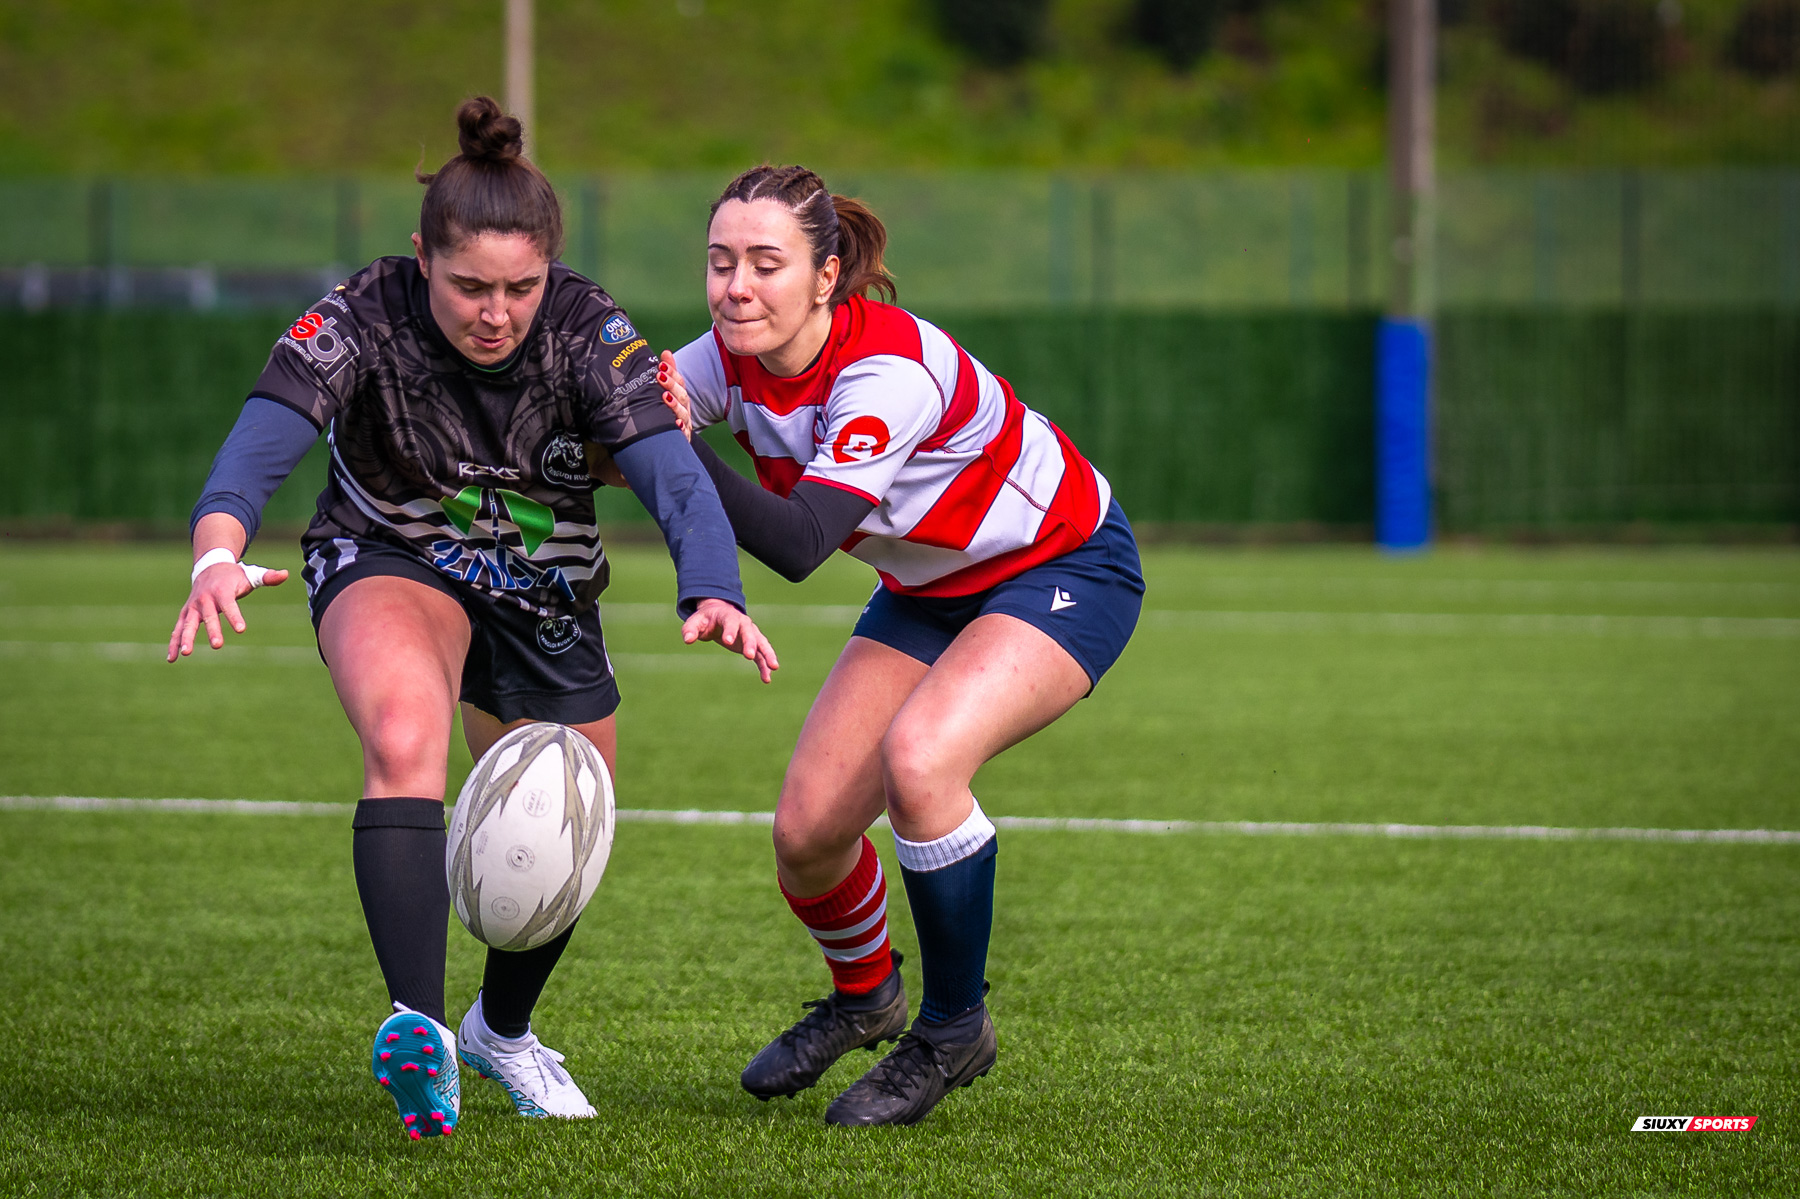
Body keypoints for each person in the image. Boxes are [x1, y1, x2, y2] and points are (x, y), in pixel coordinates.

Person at [165, 98, 778, 1141]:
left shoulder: (592, 330)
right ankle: (421, 1035)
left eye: (520, 287)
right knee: (404, 735)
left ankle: (500, 1027)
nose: (496, 312)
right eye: (469, 287)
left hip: (542, 588)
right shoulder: (361, 313)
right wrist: (218, 549)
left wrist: (712, 583)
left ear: (551, 271)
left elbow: (673, 475)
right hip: (389, 553)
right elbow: (261, 440)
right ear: (421, 260)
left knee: (570, 812)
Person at [658, 165, 1144, 1127]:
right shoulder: (728, 351)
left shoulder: (886, 372)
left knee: (923, 763)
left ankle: (954, 1028)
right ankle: (865, 996)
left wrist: (659, 439)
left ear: (826, 277)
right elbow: (635, 408)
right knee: (805, 835)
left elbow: (799, 542)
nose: (737, 288)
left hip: (1063, 564)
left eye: (766, 264)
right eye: (721, 264)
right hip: (927, 588)